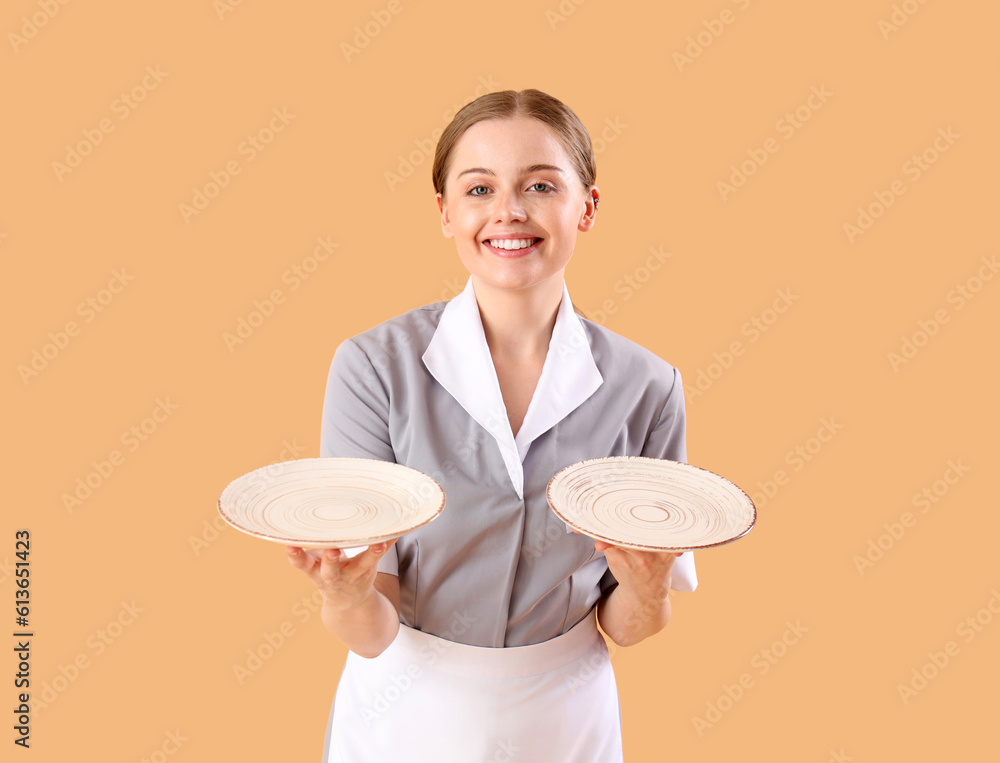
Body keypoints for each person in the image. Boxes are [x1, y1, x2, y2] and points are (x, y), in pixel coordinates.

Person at [286, 88, 698, 762]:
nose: (508, 210)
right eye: (478, 188)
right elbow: (371, 627)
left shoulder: (649, 387)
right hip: (404, 716)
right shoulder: (371, 369)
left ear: (587, 206)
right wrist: (343, 591)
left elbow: (630, 625)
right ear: (445, 213)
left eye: (540, 184)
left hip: (565, 722)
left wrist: (649, 588)